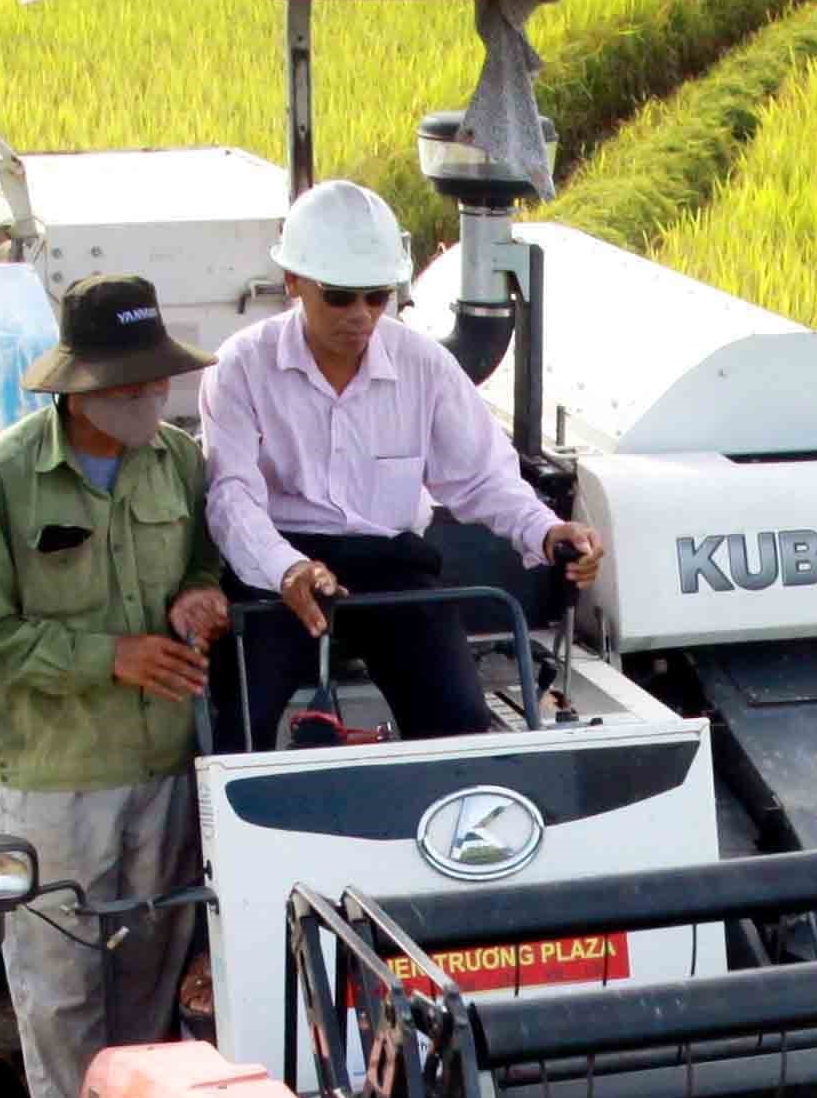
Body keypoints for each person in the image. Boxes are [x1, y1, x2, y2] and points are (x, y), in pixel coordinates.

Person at [0, 275, 234, 1098]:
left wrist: (200, 591)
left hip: (162, 772)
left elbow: (205, 557)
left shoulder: (181, 464)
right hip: (55, 784)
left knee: (151, 975)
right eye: (133, 387)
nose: (154, 400)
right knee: (62, 991)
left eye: (158, 384)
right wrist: (107, 657)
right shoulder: (1, 479)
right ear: (80, 391)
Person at [198, 179, 605, 752]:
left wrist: (545, 529)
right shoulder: (240, 365)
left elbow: (483, 478)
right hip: (277, 566)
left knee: (459, 722)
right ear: (293, 283)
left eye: (377, 295)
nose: (361, 314)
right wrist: (286, 568)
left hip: (391, 562)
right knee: (236, 725)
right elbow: (231, 496)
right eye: (339, 296)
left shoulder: (425, 365)